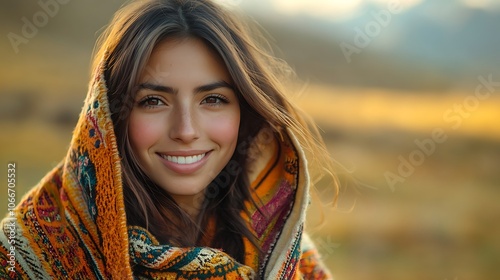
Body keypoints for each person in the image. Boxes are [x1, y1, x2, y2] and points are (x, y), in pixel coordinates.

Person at [0, 0, 335, 278]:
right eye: (153, 101)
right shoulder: (25, 256)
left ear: (244, 113)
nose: (186, 130)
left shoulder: (285, 254)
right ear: (110, 115)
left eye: (213, 99)